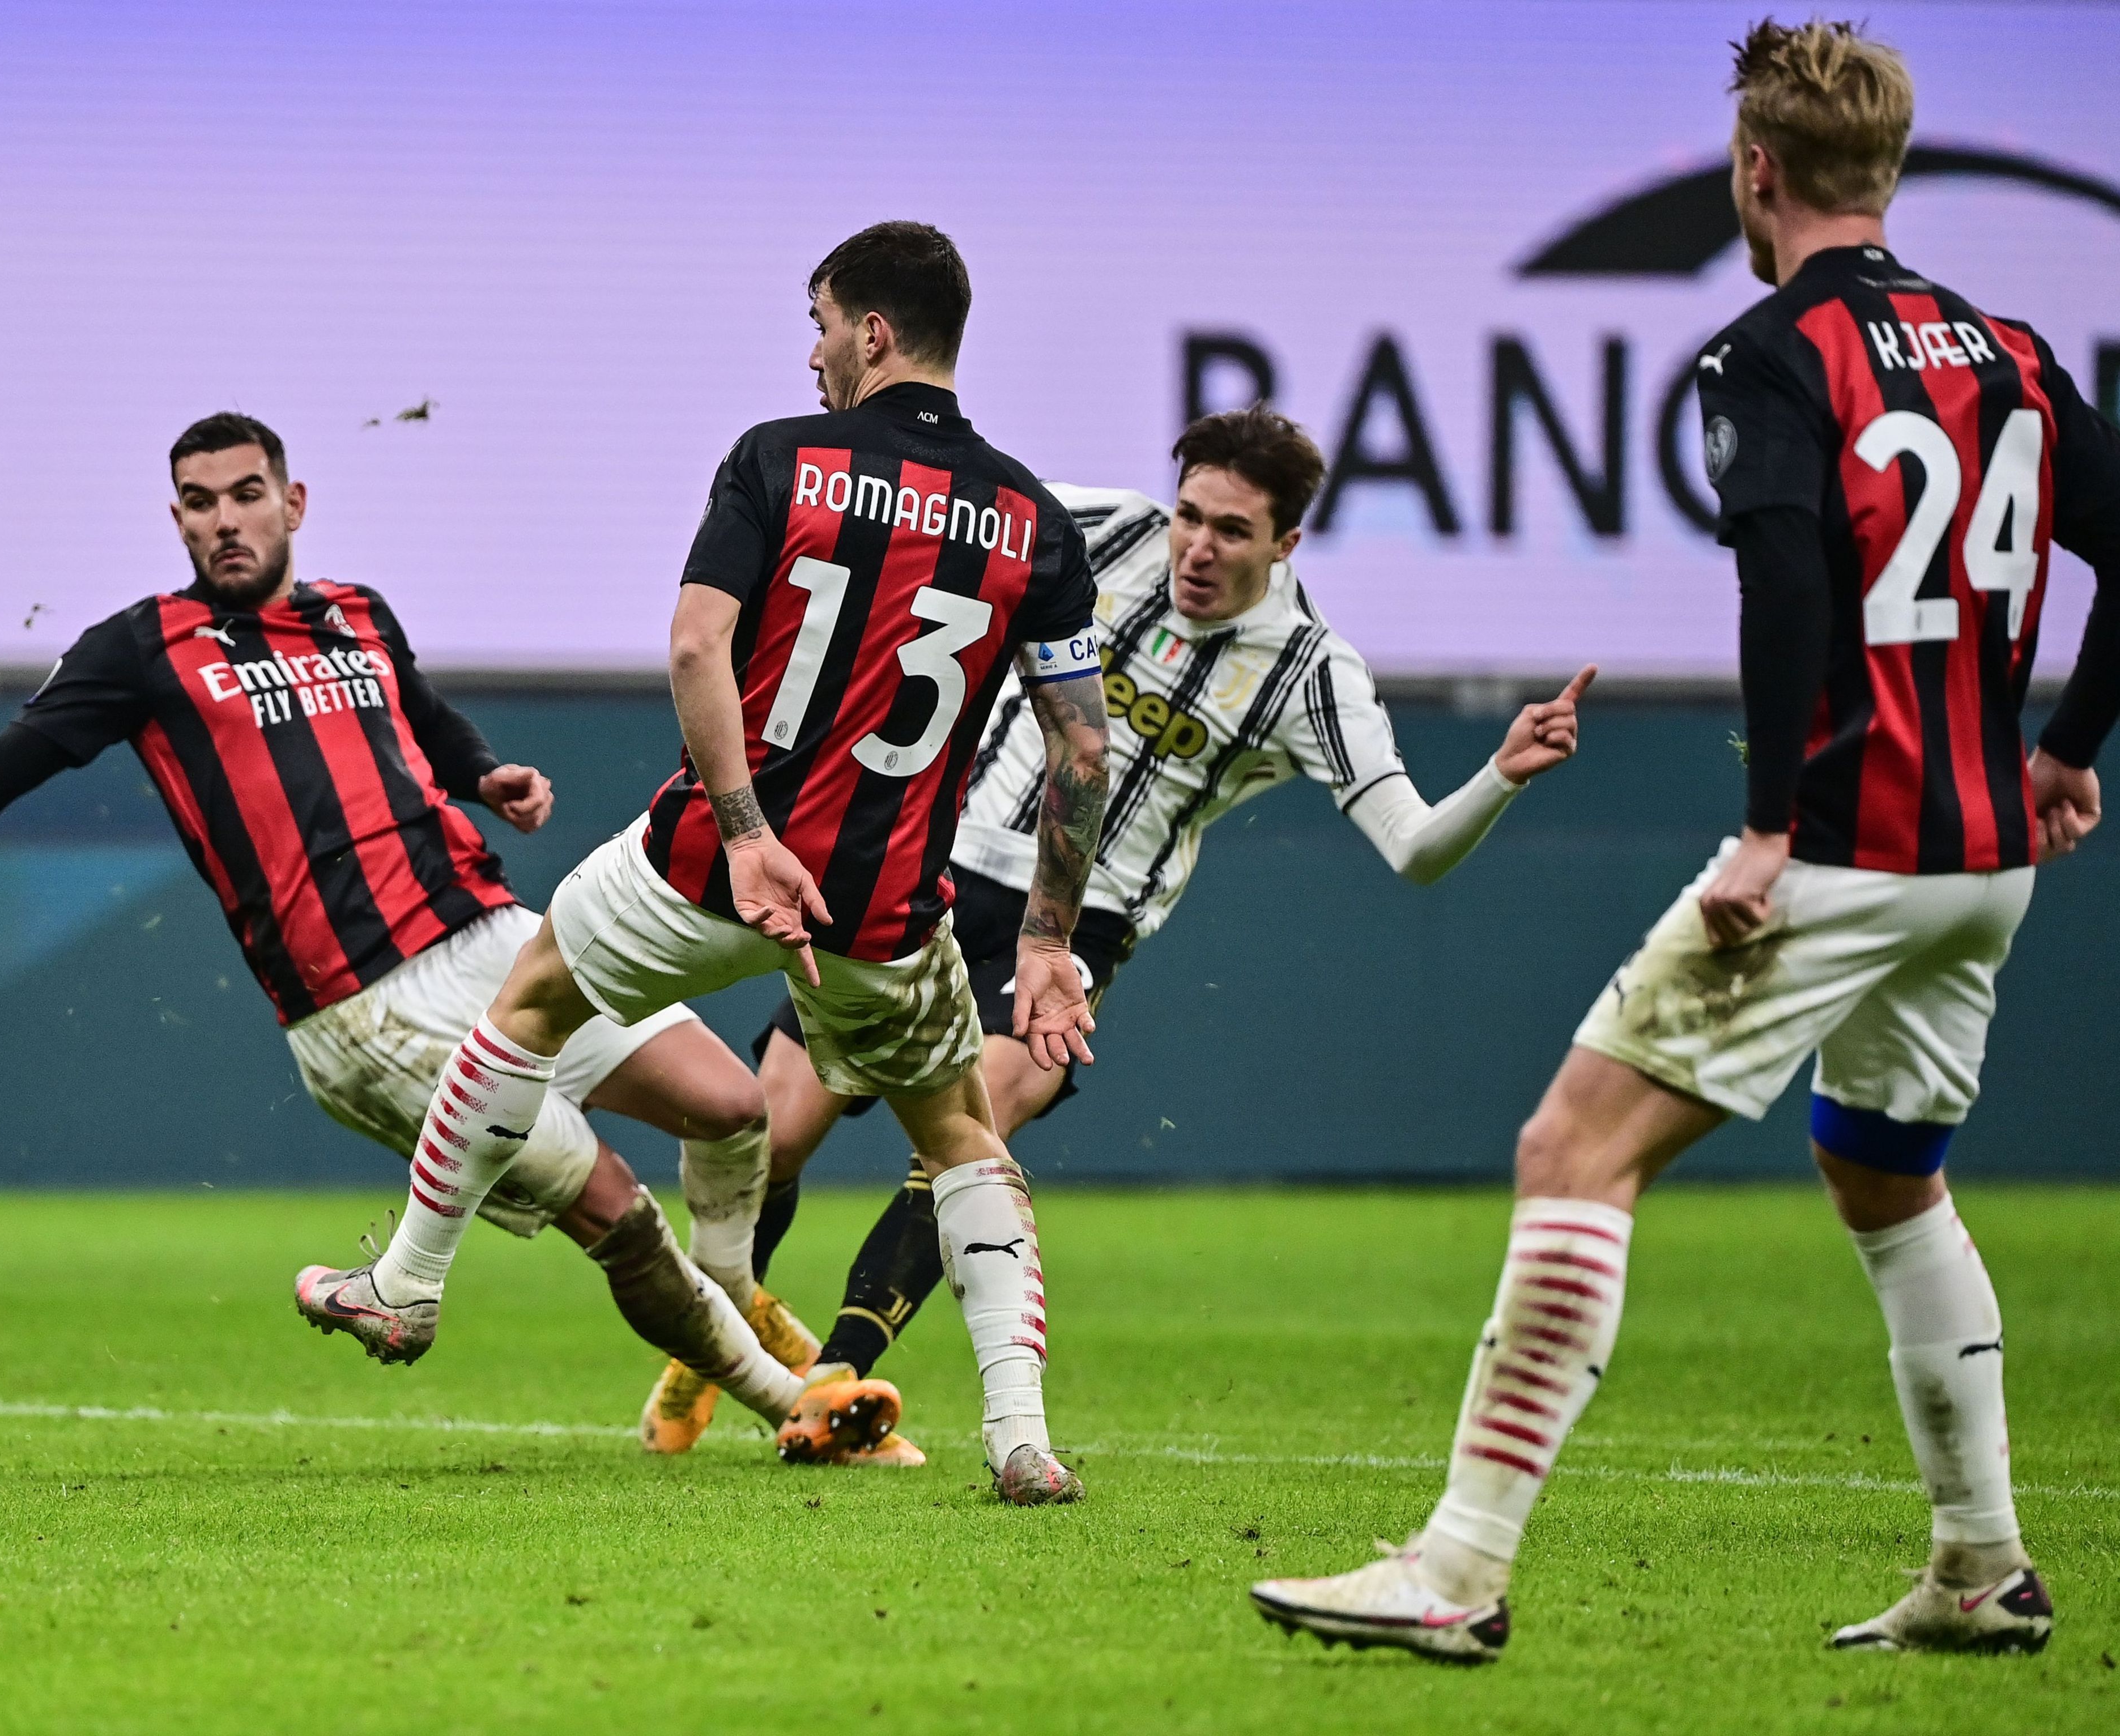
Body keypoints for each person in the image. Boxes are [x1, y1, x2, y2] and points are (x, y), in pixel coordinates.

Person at [1253, 17, 2118, 1662]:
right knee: (1883, 1174)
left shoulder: (1768, 356)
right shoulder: (2006, 349)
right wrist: (2067, 751)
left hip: (1845, 846)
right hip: (1981, 861)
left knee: (1572, 1152)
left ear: (1756, 171)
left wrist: (1765, 829)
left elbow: (1789, 582)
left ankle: (1455, 1567)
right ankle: (1981, 1564)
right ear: (1890, 171)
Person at [0, 412, 819, 1424]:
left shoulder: (358, 613)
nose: (224, 519)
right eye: (199, 500)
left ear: (293, 502)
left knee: (730, 1105)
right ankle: (794, 1404)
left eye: (245, 493)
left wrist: (485, 776)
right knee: (618, 1211)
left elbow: (421, 720)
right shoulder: (140, 650)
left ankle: (718, 1322)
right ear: (176, 517)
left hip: (492, 935)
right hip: (368, 1007)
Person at [290, 220, 1114, 1500]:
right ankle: (1022, 1439)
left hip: (715, 857)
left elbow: (695, 648)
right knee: (962, 1136)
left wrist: (744, 833)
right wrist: (1050, 941)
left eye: (824, 322)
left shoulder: (781, 458)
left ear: (874, 333)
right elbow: (1081, 750)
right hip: (888, 901)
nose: (814, 350)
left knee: (535, 993)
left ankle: (406, 1282)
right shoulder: (1035, 520)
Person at [638, 410, 1597, 1461]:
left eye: (1233, 531)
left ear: (1287, 547)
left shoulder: (1310, 671)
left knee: (976, 1128)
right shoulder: (1092, 531)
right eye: (1190, 515)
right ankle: (717, 1342)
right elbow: (958, 538)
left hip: (1072, 927)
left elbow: (1413, 847)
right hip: (929, 867)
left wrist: (1500, 774)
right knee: (773, 1134)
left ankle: (838, 1379)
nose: (1198, 546)